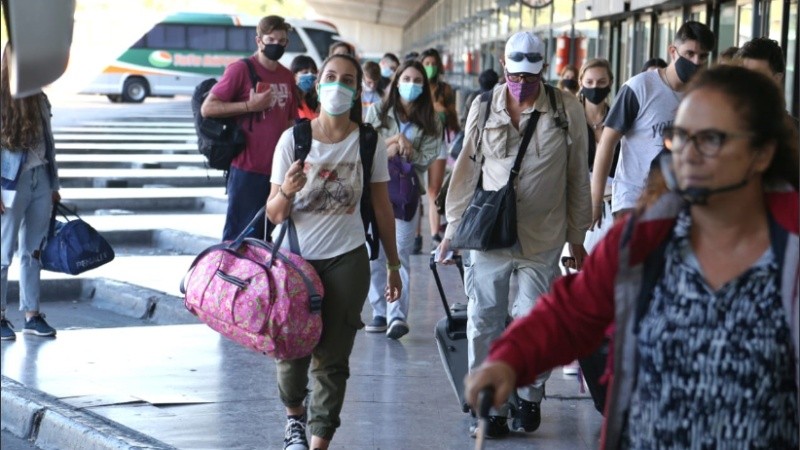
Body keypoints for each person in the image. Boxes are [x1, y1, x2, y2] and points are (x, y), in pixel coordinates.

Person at [465, 65, 799, 449]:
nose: (687, 155)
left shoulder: (790, 249)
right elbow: (573, 312)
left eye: (710, 139)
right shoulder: (645, 237)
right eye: (680, 137)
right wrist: (509, 359)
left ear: (761, 154)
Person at [437, 31, 590, 438]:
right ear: (504, 67)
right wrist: (452, 231)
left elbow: (578, 177)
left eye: (531, 77)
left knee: (534, 320)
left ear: (544, 72)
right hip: (491, 235)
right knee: (484, 319)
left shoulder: (566, 108)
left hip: (544, 238)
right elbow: (466, 171)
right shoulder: (483, 105)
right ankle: (490, 405)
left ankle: (529, 393)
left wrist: (578, 239)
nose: (522, 85)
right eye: (515, 75)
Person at [267, 54, 402, 450]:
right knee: (291, 354)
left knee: (333, 358)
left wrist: (393, 265)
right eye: (330, 77)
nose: (338, 86)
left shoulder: (369, 141)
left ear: (358, 89)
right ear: (317, 84)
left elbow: (382, 207)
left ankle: (318, 440)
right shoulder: (294, 140)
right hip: (296, 261)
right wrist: (288, 192)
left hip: (348, 259)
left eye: (347, 79)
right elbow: (274, 213)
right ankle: (295, 418)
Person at [591, 21, 715, 229]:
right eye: (689, 54)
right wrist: (595, 201)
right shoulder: (640, 87)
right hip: (632, 200)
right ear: (672, 51)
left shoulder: (700, 94)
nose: (696, 61)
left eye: (702, 56)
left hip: (675, 202)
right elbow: (607, 143)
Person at [201, 15, 298, 241]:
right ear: (259, 41)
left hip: (278, 172)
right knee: (239, 237)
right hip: (247, 168)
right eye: (271, 39)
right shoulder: (241, 70)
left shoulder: (286, 76)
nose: (276, 44)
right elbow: (208, 108)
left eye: (282, 40)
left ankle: (258, 277)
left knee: (265, 236)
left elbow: (290, 122)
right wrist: (249, 105)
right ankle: (230, 275)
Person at [363, 60, 441, 339]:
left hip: (406, 195)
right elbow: (363, 146)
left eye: (417, 80)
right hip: (374, 192)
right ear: (396, 82)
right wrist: (390, 144)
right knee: (375, 256)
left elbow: (426, 159)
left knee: (400, 255)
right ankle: (380, 310)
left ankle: (397, 316)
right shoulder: (377, 113)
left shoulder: (431, 123)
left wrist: (407, 150)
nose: (412, 84)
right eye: (406, 78)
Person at [0, 44, 61, 340]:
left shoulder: (39, 98)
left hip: (41, 180)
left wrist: (54, 185)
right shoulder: (1, 97)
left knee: (33, 251)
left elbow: (49, 143)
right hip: (11, 183)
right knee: (3, 253)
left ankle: (31, 315)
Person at [419, 48, 460, 251]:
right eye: (426, 63)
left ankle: (435, 233)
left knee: (434, 190)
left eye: (433, 63)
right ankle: (416, 233)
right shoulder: (416, 85)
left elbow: (454, 120)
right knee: (414, 191)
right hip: (416, 144)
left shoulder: (445, 90)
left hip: (438, 142)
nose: (430, 67)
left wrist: (443, 112)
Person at [290, 55, 319, 120]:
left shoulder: (316, 100)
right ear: (294, 76)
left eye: (313, 72)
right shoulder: (290, 100)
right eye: (305, 72)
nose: (310, 75)